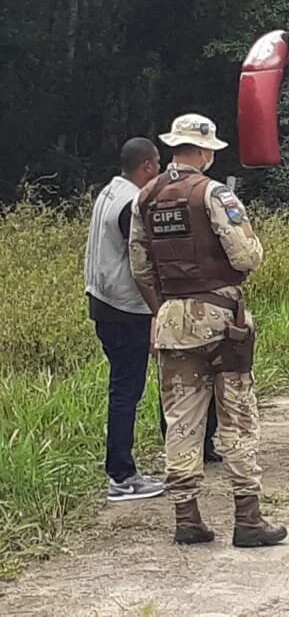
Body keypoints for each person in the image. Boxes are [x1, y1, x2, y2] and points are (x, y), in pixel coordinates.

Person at [129, 113, 287, 548]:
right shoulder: (214, 193)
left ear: (174, 148)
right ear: (204, 153)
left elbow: (139, 266)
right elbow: (247, 258)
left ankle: (187, 518)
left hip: (171, 323)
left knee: (181, 420)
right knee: (236, 416)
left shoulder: (145, 198)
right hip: (222, 323)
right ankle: (248, 518)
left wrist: (163, 307)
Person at [85, 138, 167, 502]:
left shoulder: (109, 192)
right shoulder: (131, 205)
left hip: (101, 301)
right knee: (126, 392)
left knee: (122, 388)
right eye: (158, 164)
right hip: (123, 308)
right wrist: (157, 311)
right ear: (146, 166)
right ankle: (121, 476)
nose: (161, 171)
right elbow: (139, 266)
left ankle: (123, 470)